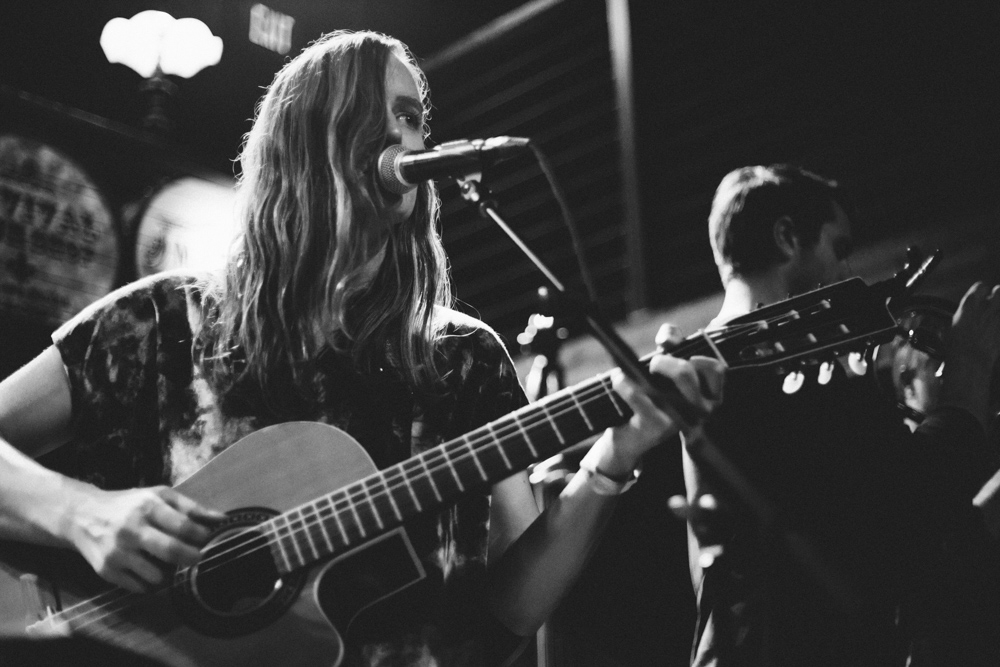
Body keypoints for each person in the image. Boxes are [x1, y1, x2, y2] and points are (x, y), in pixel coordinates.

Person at [0, 31, 724, 666]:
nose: (406, 137)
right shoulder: (161, 322)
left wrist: (610, 464)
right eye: (375, 114)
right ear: (306, 140)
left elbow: (510, 609)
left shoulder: (462, 358)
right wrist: (79, 513)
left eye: (412, 116)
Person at [679, 164, 1000, 666]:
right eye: (839, 248)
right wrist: (966, 383)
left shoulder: (716, 370)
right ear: (787, 237)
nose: (848, 275)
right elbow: (908, 507)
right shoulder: (768, 362)